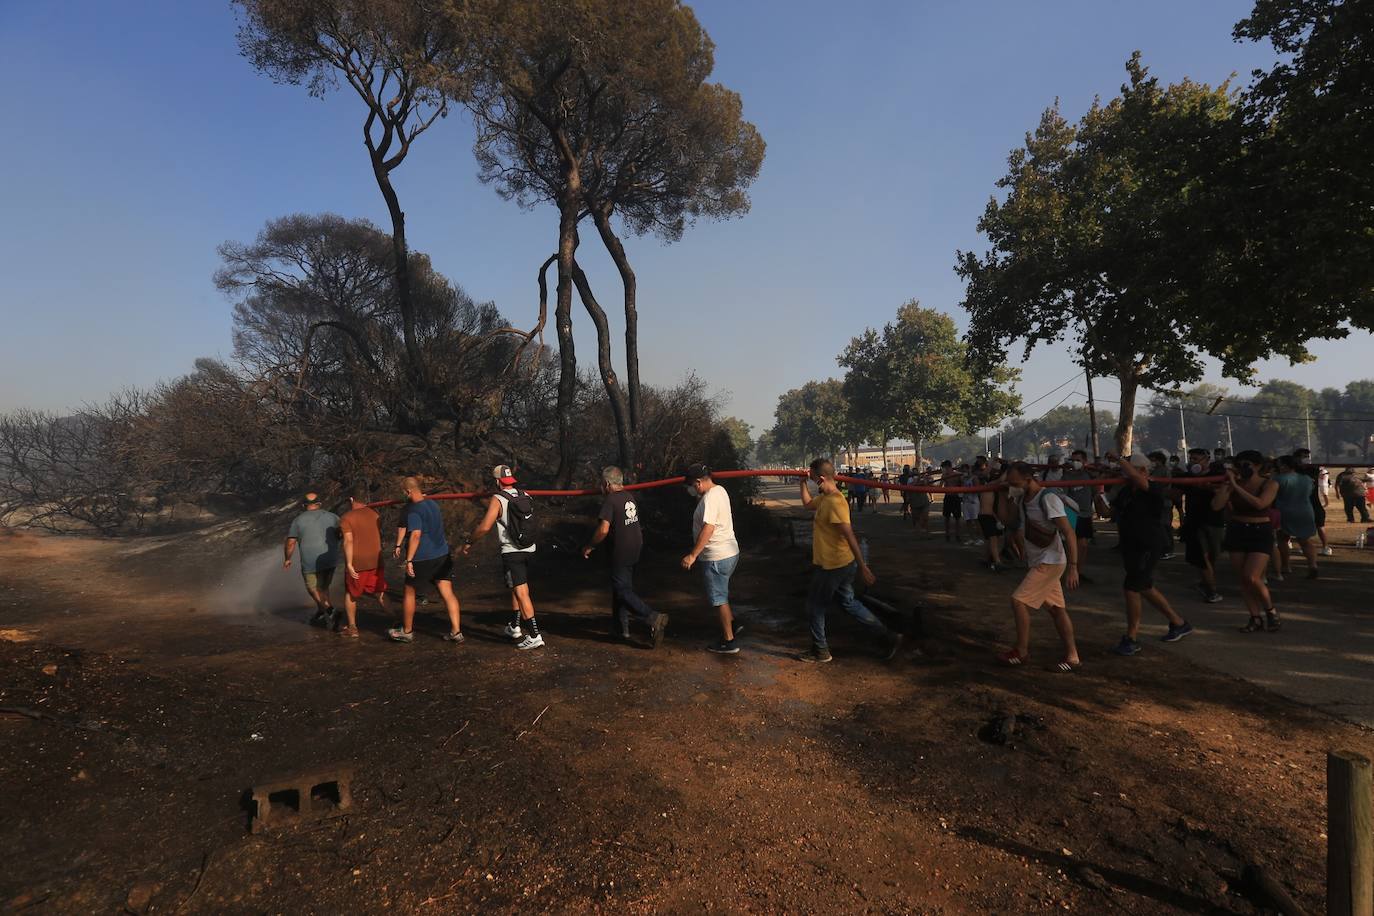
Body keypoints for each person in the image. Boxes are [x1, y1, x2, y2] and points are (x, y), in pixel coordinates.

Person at [796, 459, 902, 663]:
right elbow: (808, 505)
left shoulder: (835, 501)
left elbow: (849, 535)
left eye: (810, 475)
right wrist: (801, 482)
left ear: (819, 478)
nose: (808, 477)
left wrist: (863, 566)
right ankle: (888, 636)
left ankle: (820, 650)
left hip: (833, 565)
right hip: (837, 563)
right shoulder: (824, 498)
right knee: (848, 602)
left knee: (814, 607)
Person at [995, 462, 1081, 672]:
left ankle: (1021, 652)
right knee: (1057, 611)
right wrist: (1001, 493)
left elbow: (1068, 532)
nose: (1011, 484)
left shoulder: (1048, 499)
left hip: (1050, 561)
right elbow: (1007, 520)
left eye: (1013, 481)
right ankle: (1072, 656)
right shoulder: (1022, 497)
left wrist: (1073, 566)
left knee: (1018, 601)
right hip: (1040, 560)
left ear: (1028, 478)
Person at [1108, 455, 1193, 656]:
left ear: (1143, 471)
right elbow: (1112, 513)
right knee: (1144, 586)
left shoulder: (1152, 488)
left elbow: (1138, 479)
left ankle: (1131, 637)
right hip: (1131, 544)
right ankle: (1178, 622)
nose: (1125, 473)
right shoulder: (1127, 491)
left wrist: (1119, 459)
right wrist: (1099, 497)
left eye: (1130, 469)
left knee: (1132, 588)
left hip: (1147, 544)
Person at [582, 466, 669, 648]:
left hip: (620, 551)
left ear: (606, 484)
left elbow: (604, 529)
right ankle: (621, 629)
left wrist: (590, 545)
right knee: (620, 589)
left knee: (622, 591)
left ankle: (652, 616)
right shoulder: (629, 497)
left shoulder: (610, 500)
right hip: (635, 548)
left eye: (601, 484)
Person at [463, 465, 543, 650]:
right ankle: (515, 626)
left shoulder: (498, 499)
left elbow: (484, 527)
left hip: (512, 552)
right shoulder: (526, 495)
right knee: (518, 587)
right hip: (529, 548)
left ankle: (534, 635)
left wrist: (469, 542)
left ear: (497, 481)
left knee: (522, 592)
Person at [1211, 450, 1281, 633]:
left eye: (1246, 465)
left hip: (1260, 531)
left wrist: (1236, 485)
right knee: (1243, 579)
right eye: (1239, 465)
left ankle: (1270, 611)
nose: (1242, 468)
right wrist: (1228, 486)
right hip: (1237, 530)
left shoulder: (1270, 484)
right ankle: (1255, 617)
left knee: (1252, 576)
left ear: (1257, 466)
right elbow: (1216, 506)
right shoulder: (1234, 484)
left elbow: (1260, 504)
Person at [390, 477, 463, 643]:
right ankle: (456, 632)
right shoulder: (433, 504)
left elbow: (415, 535)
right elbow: (403, 525)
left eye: (403, 492)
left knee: (409, 591)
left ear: (408, 491)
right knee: (447, 592)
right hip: (443, 554)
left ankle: (407, 632)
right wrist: (398, 544)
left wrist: (409, 560)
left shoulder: (414, 511)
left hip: (423, 557)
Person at [679, 464, 742, 654]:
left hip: (716, 556)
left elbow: (708, 528)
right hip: (729, 552)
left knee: (718, 598)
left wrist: (692, 555)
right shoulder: (719, 490)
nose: (691, 489)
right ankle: (731, 624)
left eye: (691, 485)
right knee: (721, 592)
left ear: (698, 482)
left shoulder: (710, 499)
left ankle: (728, 641)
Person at [338, 486, 391, 638]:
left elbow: (348, 541)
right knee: (380, 592)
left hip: (358, 562)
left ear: (351, 499)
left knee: (351, 594)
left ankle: (352, 628)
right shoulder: (375, 514)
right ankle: (397, 621)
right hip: (376, 560)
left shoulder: (347, 518)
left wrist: (348, 563)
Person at [283, 492, 341, 628]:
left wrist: (287, 559)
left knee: (313, 589)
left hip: (310, 561)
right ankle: (321, 613)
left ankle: (330, 610)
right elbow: (341, 533)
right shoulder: (333, 517)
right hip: (330, 559)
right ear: (319, 504)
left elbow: (291, 542)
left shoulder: (298, 520)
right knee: (324, 588)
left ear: (304, 505)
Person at [1180, 448, 1225, 603]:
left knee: (1212, 557)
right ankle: (1211, 591)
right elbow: (1174, 491)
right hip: (1195, 522)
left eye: (1196, 459)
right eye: (1191, 458)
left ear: (1206, 460)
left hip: (1215, 521)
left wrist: (1208, 486)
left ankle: (1204, 583)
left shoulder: (1217, 476)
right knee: (1202, 558)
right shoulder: (1187, 477)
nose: (1192, 462)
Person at [1273, 454, 1320, 580]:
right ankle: (1312, 565)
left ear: (1284, 465)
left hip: (1285, 511)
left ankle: (1286, 566)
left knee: (1282, 539)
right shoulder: (1307, 479)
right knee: (1305, 540)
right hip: (1305, 510)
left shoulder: (1278, 479)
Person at [1060, 449, 1098, 584]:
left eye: (1078, 460)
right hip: (1072, 514)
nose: (1075, 463)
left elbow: (1096, 492)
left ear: (1084, 462)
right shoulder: (1067, 477)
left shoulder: (1089, 475)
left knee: (1083, 546)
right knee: (1071, 545)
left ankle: (1079, 572)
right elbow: (1063, 495)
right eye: (1073, 460)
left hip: (1086, 514)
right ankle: (1070, 571)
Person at [1293, 448, 1331, 555]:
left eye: (1307, 456)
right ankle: (1304, 545)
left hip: (1313, 503)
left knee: (1319, 526)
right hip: (1302, 503)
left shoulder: (1311, 469)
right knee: (1303, 527)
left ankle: (1326, 547)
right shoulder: (1297, 470)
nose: (1306, 459)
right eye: (1303, 456)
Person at [940, 461, 962, 542]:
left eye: (945, 468)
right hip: (948, 497)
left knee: (957, 518)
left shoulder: (958, 475)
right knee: (946, 518)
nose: (944, 470)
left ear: (948, 467)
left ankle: (958, 535)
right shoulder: (944, 475)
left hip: (955, 497)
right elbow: (940, 486)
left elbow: (962, 485)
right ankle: (947, 534)